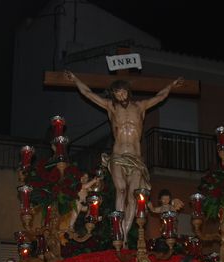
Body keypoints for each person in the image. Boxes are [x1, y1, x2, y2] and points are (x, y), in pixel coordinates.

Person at [65, 70, 184, 241]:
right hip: (118, 154)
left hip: (135, 158)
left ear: (128, 91)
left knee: (133, 196)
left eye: (122, 91)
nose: (120, 96)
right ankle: (117, 230)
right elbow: (88, 94)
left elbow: (160, 96)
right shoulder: (111, 107)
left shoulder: (140, 106)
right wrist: (76, 79)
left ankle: (125, 234)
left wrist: (171, 85)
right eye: (117, 93)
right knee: (121, 190)